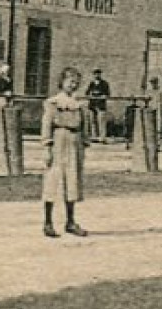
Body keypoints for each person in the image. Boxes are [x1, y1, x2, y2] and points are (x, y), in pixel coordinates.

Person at [41, 67, 89, 238]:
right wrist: (47, 147)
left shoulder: (79, 104)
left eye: (76, 82)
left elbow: (84, 126)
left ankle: (70, 221)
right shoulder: (53, 103)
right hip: (59, 140)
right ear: (62, 82)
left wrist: (84, 143)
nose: (73, 85)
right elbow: (46, 125)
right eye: (70, 81)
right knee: (53, 180)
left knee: (72, 181)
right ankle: (47, 222)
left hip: (75, 142)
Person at [85, 69, 111, 142]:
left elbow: (107, 94)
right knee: (92, 121)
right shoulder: (91, 83)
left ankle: (102, 137)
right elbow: (87, 93)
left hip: (100, 105)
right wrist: (91, 95)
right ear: (93, 75)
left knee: (101, 121)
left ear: (100, 74)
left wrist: (103, 96)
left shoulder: (104, 83)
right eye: (95, 74)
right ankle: (94, 137)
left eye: (98, 74)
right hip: (92, 105)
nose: (97, 75)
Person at [0, 62, 14, 135]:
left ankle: (4, 132)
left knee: (6, 115)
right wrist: (2, 94)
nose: (7, 72)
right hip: (0, 99)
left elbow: (11, 89)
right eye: (6, 70)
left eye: (8, 70)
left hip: (7, 99)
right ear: (2, 71)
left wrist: (10, 98)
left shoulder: (10, 80)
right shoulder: (0, 80)